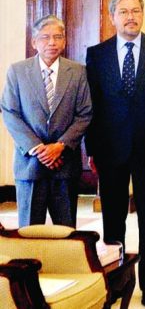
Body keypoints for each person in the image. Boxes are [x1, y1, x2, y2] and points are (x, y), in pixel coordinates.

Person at [85, 0, 145, 306]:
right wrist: (91, 150)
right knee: (113, 220)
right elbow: (92, 106)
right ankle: (116, 280)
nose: (131, 17)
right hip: (110, 150)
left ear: (143, 13)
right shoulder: (97, 54)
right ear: (113, 17)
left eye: (136, 10)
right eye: (124, 12)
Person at [2, 15, 92, 228]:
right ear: (34, 42)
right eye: (45, 37)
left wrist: (59, 147)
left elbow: (85, 113)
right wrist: (38, 149)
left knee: (67, 232)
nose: (52, 42)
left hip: (65, 164)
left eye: (57, 37)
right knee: (29, 232)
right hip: (30, 165)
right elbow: (10, 111)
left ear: (64, 41)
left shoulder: (78, 72)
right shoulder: (18, 71)